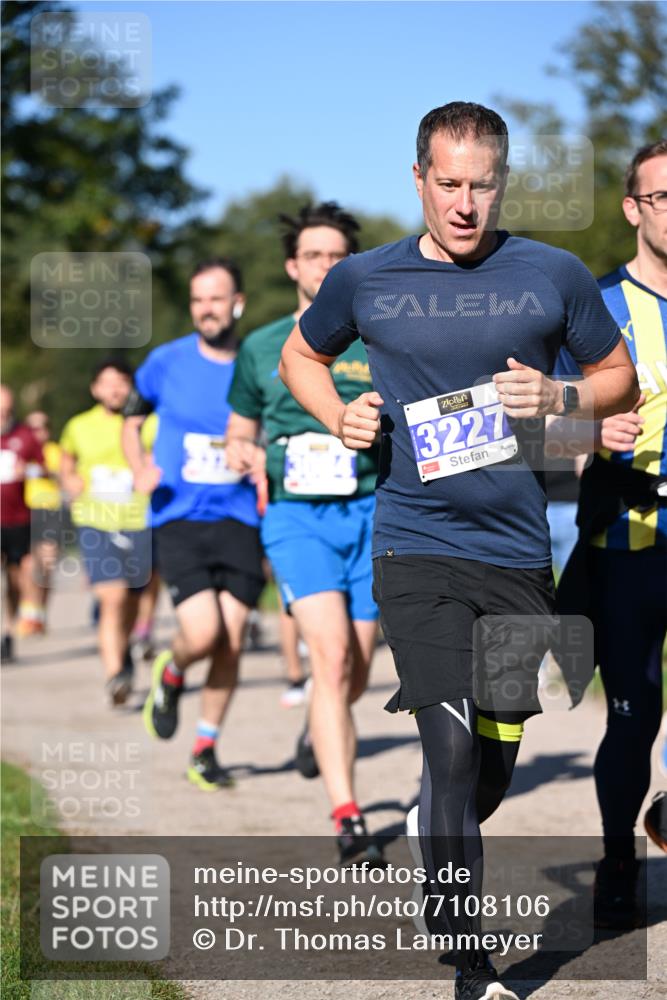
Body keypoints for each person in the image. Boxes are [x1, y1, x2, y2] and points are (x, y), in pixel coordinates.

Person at [280, 102, 639, 1000]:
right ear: (417, 181)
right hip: (415, 543)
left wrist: (557, 398)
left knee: (488, 764)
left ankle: (436, 830)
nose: (465, 203)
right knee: (444, 748)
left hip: (517, 555)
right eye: (448, 184)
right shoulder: (366, 279)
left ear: (501, 183)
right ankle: (467, 953)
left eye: (482, 185)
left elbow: (616, 378)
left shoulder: (549, 274)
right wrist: (338, 413)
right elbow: (299, 354)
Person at [226, 202, 381, 864]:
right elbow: (239, 427)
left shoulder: (377, 338)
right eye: (313, 255)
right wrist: (243, 452)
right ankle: (347, 814)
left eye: (337, 255)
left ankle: (319, 732)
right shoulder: (262, 345)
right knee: (331, 656)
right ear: (293, 266)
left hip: (373, 510)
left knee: (357, 667)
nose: (325, 265)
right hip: (296, 516)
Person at [556, 140, 667, 923]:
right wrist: (589, 438)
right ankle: (618, 855)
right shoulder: (595, 309)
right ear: (632, 209)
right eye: (661, 197)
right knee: (633, 713)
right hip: (625, 543)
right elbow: (543, 429)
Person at [122, 258, 264, 792]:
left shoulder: (258, 362)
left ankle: (205, 748)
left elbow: (273, 427)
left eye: (216, 298)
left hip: (239, 517)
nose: (207, 308)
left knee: (230, 642)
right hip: (177, 515)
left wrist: (260, 456)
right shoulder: (164, 362)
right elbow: (131, 422)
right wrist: (138, 465)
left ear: (237, 304)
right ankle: (173, 667)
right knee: (203, 632)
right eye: (198, 300)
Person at [59, 359, 152, 705]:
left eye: (121, 382)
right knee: (111, 598)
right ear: (95, 389)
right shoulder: (78, 426)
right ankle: (116, 675)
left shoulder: (148, 422)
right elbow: (66, 463)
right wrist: (68, 479)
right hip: (95, 520)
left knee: (132, 599)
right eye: (106, 382)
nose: (114, 389)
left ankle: (123, 648)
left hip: (139, 518)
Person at [1, 386, 44, 662]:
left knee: (15, 579)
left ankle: (8, 631)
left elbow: (43, 466)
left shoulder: (25, 435)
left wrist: (25, 470)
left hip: (17, 519)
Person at [23, 410, 64, 634]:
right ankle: (29, 612)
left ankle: (41, 611)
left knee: (47, 563)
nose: (38, 433)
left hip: (50, 511)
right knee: (29, 564)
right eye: (33, 428)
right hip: (25, 511)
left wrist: (43, 471)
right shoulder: (20, 450)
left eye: (42, 427)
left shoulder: (54, 451)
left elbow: (62, 475)